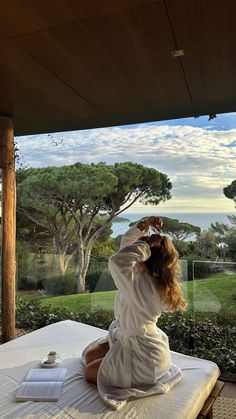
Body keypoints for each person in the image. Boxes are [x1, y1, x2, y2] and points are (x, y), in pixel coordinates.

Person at [82, 216, 187, 410]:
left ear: (144, 258)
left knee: (90, 371)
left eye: (142, 251)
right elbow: (126, 250)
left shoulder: (143, 285)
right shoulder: (143, 276)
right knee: (89, 356)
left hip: (144, 357)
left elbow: (117, 261)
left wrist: (146, 243)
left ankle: (138, 373)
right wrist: (143, 225)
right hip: (130, 337)